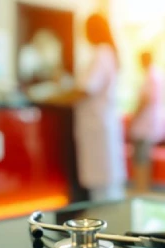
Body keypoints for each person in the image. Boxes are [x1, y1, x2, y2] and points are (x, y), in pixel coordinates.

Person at [40, 13, 126, 202]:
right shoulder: (106, 53)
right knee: (104, 184)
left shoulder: (101, 53)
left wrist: (54, 98)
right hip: (100, 124)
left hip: (97, 125)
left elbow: (85, 90)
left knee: (102, 190)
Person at [129, 51, 165, 193]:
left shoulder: (151, 76)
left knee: (141, 156)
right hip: (153, 120)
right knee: (144, 155)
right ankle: (143, 187)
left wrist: (134, 116)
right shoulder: (159, 75)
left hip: (146, 121)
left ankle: (141, 187)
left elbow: (144, 100)